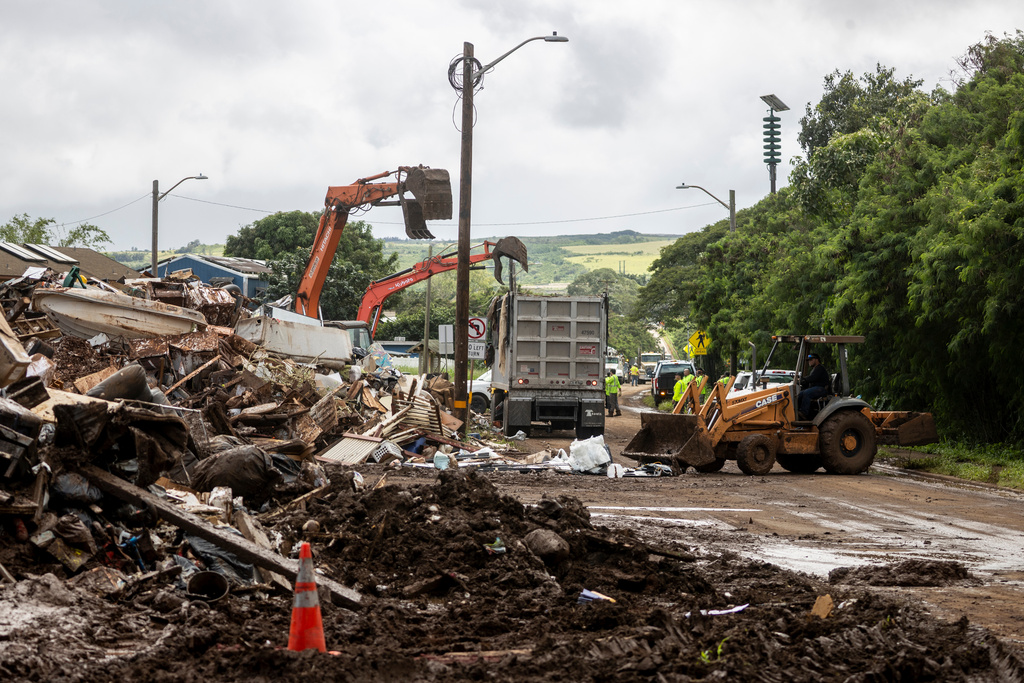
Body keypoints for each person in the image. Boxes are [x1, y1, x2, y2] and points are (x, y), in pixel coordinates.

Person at [798, 353, 831, 418]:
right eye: (808, 360)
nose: (809, 362)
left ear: (817, 360)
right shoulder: (814, 369)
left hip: (822, 389)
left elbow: (813, 378)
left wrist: (803, 379)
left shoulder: (820, 368)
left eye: (811, 360)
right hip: (816, 388)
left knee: (807, 393)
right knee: (800, 394)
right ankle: (797, 411)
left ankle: (804, 413)